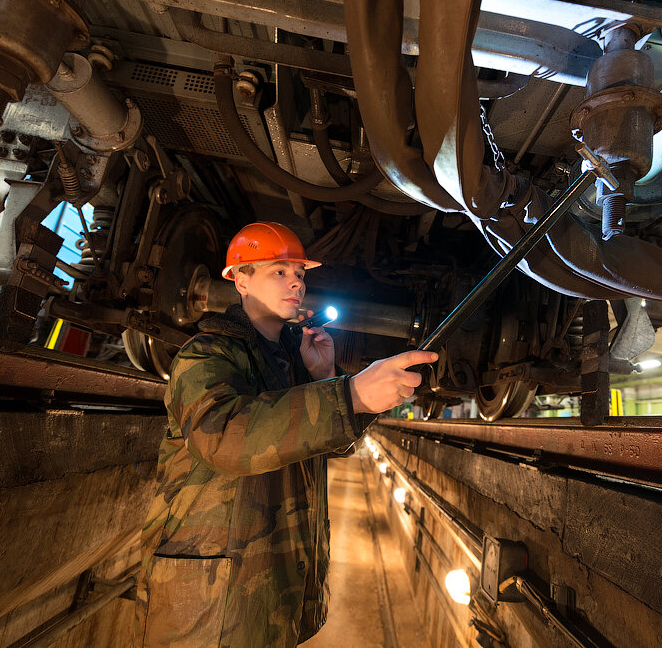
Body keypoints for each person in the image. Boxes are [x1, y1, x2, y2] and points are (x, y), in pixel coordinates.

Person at [133, 221, 437, 647]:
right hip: (208, 604)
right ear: (239, 279)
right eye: (279, 270)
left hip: (271, 596)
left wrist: (322, 377)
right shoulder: (205, 354)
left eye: (300, 272)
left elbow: (323, 449)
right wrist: (347, 395)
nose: (296, 280)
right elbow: (223, 438)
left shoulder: (289, 365)